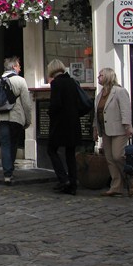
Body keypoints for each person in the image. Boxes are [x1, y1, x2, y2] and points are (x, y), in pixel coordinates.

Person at [0, 56, 33, 186]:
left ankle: (7, 174)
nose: (20, 68)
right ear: (13, 67)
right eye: (19, 66)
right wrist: (28, 120)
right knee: (13, 144)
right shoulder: (20, 81)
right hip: (16, 118)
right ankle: (10, 170)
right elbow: (26, 104)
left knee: (5, 145)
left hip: (0, 118)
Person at [94, 67, 133, 196]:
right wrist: (95, 129)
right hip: (105, 130)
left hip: (119, 129)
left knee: (118, 156)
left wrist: (128, 126)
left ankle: (131, 176)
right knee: (109, 158)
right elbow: (97, 113)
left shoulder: (119, 91)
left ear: (108, 76)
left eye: (101, 75)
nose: (98, 77)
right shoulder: (99, 95)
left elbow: (125, 110)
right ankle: (116, 186)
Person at [46, 59, 82, 195]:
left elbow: (56, 104)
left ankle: (63, 179)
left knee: (51, 150)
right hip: (73, 122)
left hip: (60, 124)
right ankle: (73, 184)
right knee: (70, 153)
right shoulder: (72, 82)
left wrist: (50, 112)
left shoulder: (56, 83)